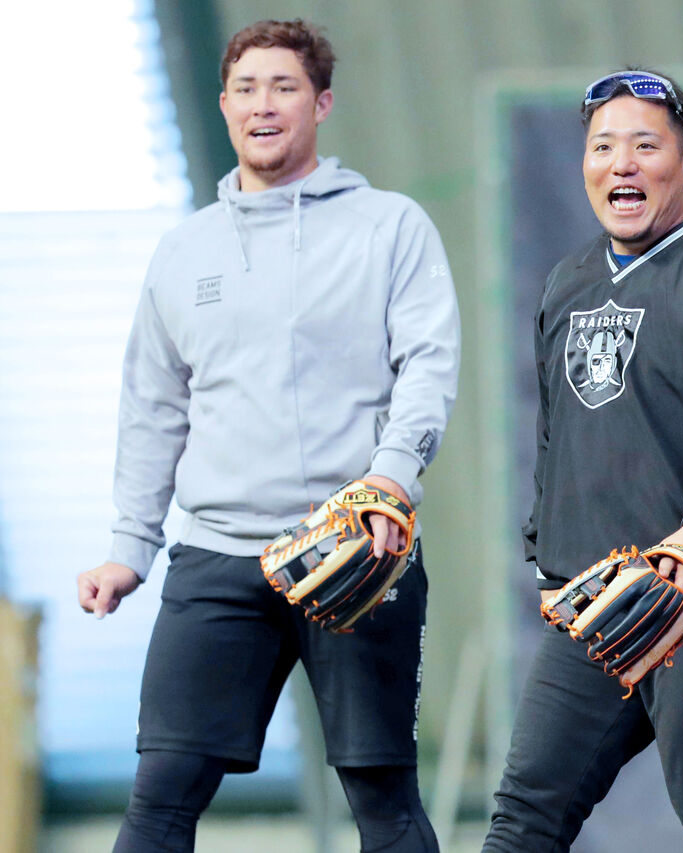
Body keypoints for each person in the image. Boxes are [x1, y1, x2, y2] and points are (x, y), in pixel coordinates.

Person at [75, 19, 458, 852]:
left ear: (320, 103)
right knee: (160, 798)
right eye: (246, 88)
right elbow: (153, 406)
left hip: (353, 550)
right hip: (215, 554)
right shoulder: (184, 251)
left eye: (284, 87)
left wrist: (390, 479)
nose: (264, 104)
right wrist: (128, 546)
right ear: (222, 106)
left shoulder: (390, 226)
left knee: (384, 801)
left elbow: (428, 367)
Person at [482, 69, 683, 853]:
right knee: (522, 819)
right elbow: (558, 435)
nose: (621, 163)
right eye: (603, 146)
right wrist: (548, 561)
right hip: (596, 599)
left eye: (645, 145)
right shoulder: (567, 282)